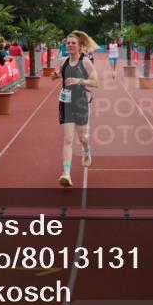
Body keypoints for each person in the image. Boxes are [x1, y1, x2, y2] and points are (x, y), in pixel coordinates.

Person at [50, 30, 100, 187]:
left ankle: (86, 149)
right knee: (68, 139)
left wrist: (80, 81)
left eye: (73, 43)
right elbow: (59, 74)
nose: (70, 45)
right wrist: (55, 75)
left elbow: (95, 83)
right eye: (68, 43)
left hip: (80, 103)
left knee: (82, 138)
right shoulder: (63, 61)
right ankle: (66, 174)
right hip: (65, 103)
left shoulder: (85, 62)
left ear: (79, 46)